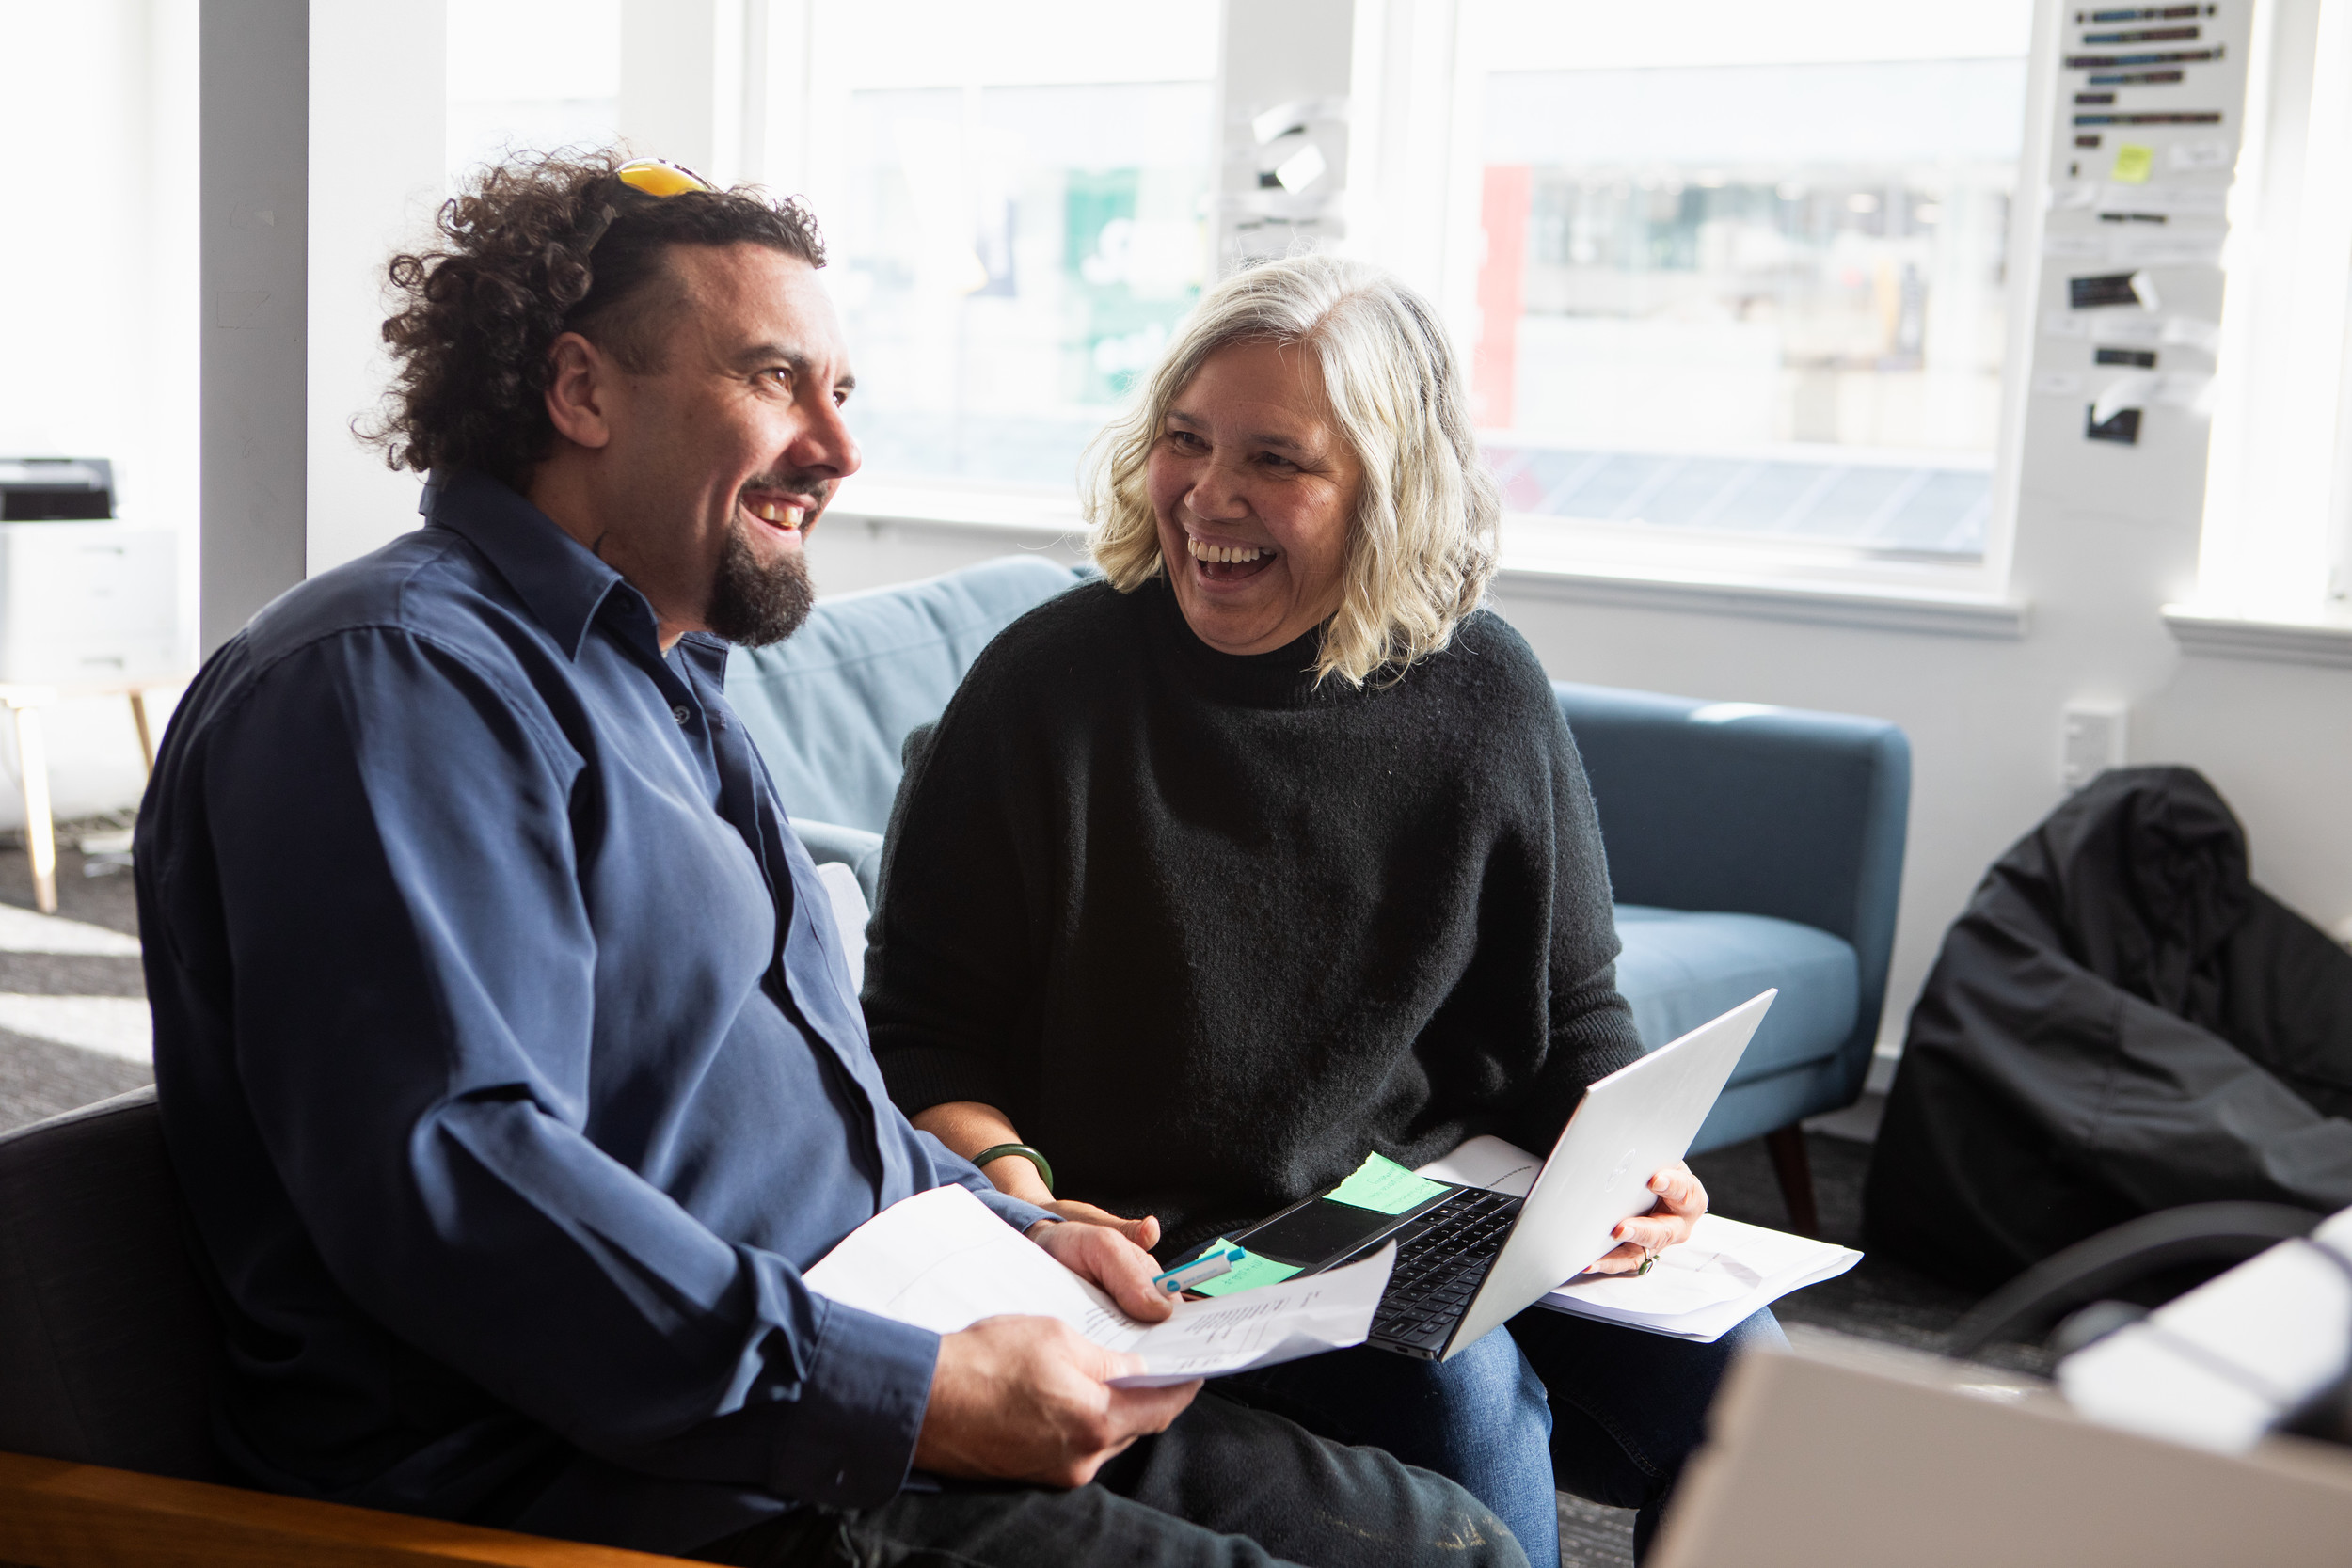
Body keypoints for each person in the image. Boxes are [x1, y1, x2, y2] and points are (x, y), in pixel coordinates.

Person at [135, 153, 1525, 1568]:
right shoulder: (389, 684)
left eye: (840, 393)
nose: (837, 448)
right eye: (773, 379)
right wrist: (905, 1394)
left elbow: (812, 1120)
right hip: (608, 1469)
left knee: (1442, 1544)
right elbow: (462, 1184)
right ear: (581, 393)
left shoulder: (669, 683)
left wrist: (1007, 1225)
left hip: (839, 1383)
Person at [864, 253, 1785, 1563]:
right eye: (1185, 442)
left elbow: (1571, 1014)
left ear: (1388, 494)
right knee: (1465, 1408)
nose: (1209, 497)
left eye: (1276, 461)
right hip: (1174, 1255)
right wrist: (1028, 1198)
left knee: (1755, 1383)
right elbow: (916, 1038)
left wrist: (1627, 1165)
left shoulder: (1483, 689)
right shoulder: (1045, 692)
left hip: (1424, 1205)